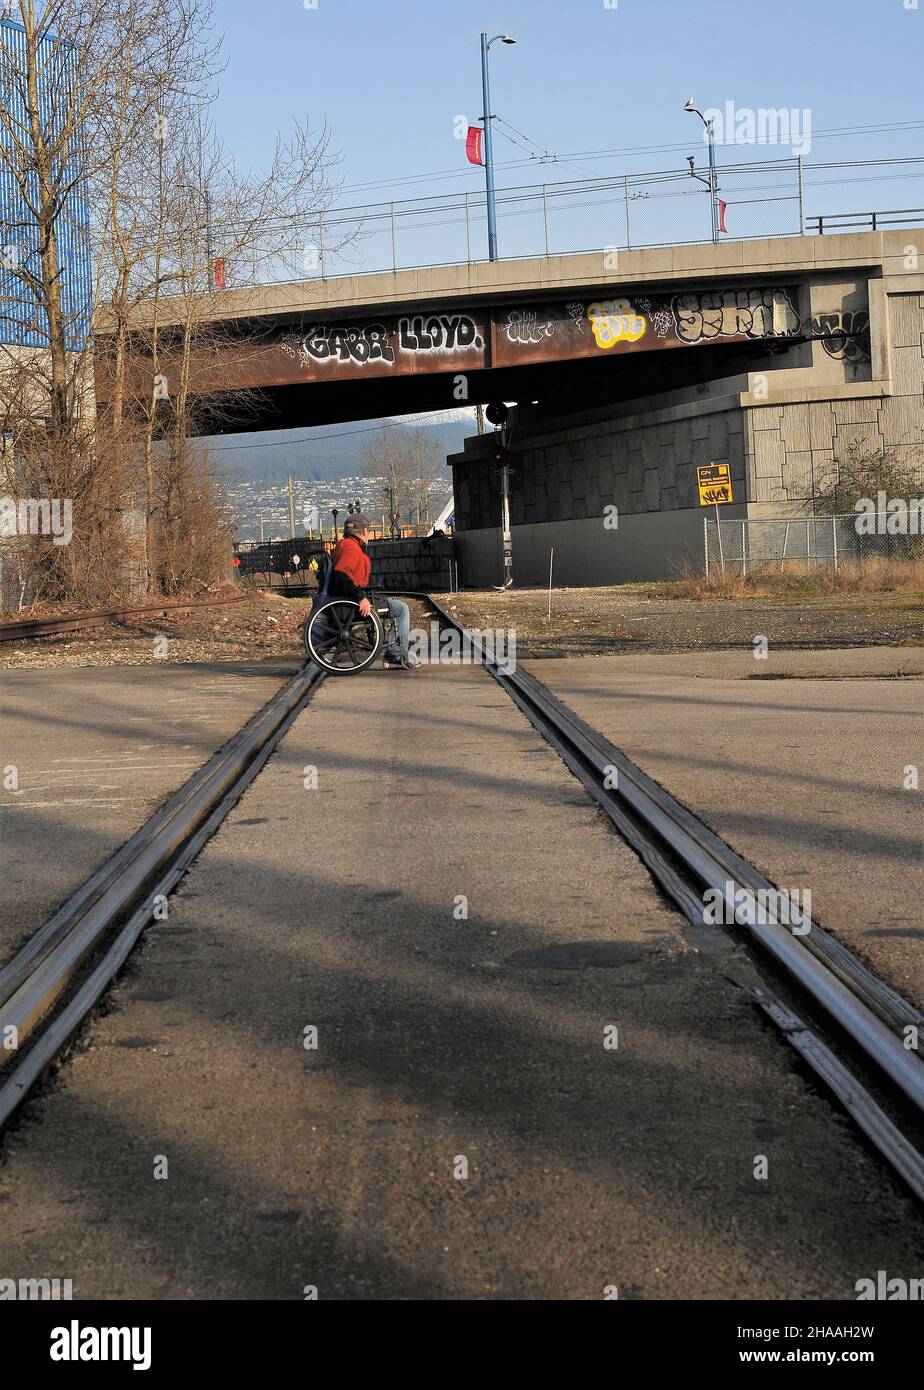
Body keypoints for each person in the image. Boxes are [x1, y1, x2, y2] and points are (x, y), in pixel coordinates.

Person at [327, 513, 420, 669]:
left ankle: (395, 651)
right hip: (351, 605)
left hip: (347, 601)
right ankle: (395, 654)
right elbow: (341, 575)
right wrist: (361, 597)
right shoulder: (350, 548)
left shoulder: (345, 545)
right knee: (401, 609)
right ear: (364, 532)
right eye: (368, 531)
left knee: (392, 604)